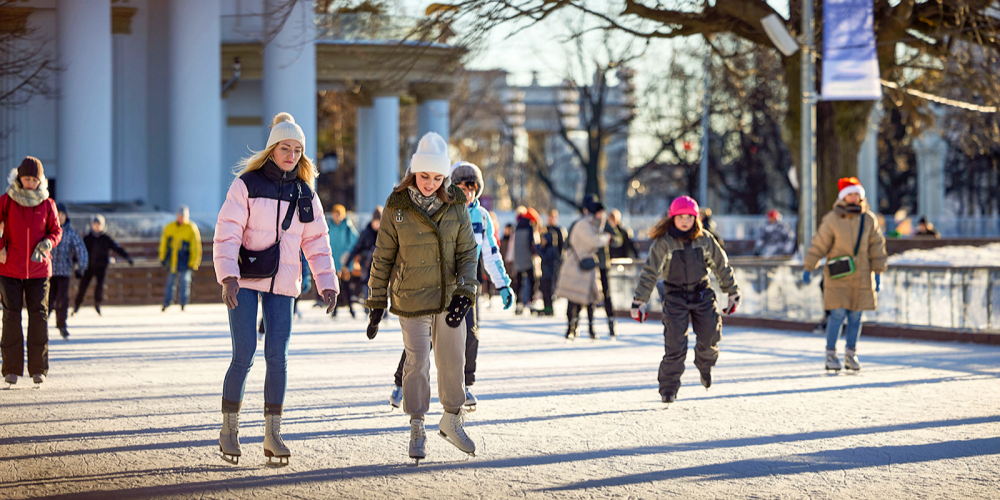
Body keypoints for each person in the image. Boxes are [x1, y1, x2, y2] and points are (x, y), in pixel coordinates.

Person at [213, 112, 340, 466]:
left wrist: (326, 282)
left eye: (298, 149)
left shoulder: (305, 193)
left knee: (278, 357)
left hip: (282, 283)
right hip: (245, 279)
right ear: (272, 150)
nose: (292, 155)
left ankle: (273, 434)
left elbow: (317, 241)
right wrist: (228, 276)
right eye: (286, 148)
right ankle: (229, 430)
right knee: (244, 354)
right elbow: (227, 232)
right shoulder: (247, 184)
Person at [364, 132, 480, 463]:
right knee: (417, 362)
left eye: (437, 177)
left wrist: (465, 292)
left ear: (445, 176)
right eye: (424, 176)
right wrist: (375, 304)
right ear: (414, 172)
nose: (430, 183)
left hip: (448, 298)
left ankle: (452, 418)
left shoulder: (456, 202)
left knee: (453, 360)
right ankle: (417, 424)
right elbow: (383, 257)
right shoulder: (396, 204)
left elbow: (467, 252)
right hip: (411, 297)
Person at [387, 161, 515, 412]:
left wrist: (503, 285)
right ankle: (401, 384)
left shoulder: (482, 217)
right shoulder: (441, 208)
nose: (466, 193)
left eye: (471, 188)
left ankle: (464, 385)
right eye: (461, 187)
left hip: (466, 284)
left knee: (470, 335)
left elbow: (490, 253)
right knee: (423, 338)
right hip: (436, 282)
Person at [630, 196, 739, 404]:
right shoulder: (664, 243)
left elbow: (721, 266)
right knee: (675, 346)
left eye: (689, 217)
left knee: (710, 336)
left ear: (695, 218)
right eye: (680, 217)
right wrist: (639, 300)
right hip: (675, 296)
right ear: (672, 218)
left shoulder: (705, 239)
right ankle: (668, 388)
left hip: (702, 293)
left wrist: (732, 292)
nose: (685, 221)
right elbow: (650, 272)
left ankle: (705, 365)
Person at [802, 177, 887, 372]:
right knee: (837, 314)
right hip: (838, 275)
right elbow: (819, 244)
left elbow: (877, 246)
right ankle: (831, 354)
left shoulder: (868, 219)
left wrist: (878, 271)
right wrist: (809, 266)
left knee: (856, 316)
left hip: (863, 274)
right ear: (843, 196)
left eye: (857, 194)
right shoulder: (832, 219)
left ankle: (851, 354)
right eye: (850, 193)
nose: (854, 197)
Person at [0, 157, 62, 387]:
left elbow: (56, 231)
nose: (29, 184)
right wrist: (0, 247)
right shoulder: (6, 201)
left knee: (39, 318)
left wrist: (48, 242)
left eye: (34, 180)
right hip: (9, 269)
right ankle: (11, 369)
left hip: (39, 270)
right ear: (18, 178)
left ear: (40, 180)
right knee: (10, 316)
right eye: (26, 179)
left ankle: (38, 369)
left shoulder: (47, 204)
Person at [555, 198, 611, 340]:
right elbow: (594, 241)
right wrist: (605, 238)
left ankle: (590, 328)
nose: (603, 216)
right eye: (601, 213)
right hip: (576, 266)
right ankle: (571, 328)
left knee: (590, 298)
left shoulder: (593, 224)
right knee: (574, 298)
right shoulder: (583, 225)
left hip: (588, 266)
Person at [74, 214, 133, 316]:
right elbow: (81, 251)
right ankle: (77, 306)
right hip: (89, 267)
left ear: (102, 226)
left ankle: (97, 304)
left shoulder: (106, 238)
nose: (97, 227)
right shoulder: (88, 238)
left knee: (99, 287)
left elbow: (116, 248)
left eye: (98, 225)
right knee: (83, 287)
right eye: (95, 224)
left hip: (101, 267)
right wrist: (75, 261)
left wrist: (126, 257)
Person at [584, 195, 622, 338]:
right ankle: (590, 327)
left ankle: (611, 325)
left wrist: (609, 238)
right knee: (590, 296)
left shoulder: (605, 224)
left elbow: (618, 239)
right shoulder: (587, 224)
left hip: (602, 264)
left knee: (606, 295)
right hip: (590, 265)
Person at [49, 203, 87, 339]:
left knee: (62, 299)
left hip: (64, 272)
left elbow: (80, 249)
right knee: (47, 300)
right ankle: (40, 325)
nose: (60, 218)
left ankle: (62, 325)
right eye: (57, 215)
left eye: (62, 215)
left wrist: (81, 267)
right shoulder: (47, 231)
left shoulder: (70, 233)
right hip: (48, 272)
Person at [159, 205, 201, 312]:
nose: (181, 218)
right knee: (170, 282)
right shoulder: (169, 227)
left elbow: (195, 247)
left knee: (185, 282)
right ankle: (167, 302)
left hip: (185, 260)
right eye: (179, 216)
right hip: (173, 260)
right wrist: (162, 257)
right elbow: (164, 243)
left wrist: (194, 262)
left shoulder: (191, 228)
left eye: (183, 216)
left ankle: (183, 303)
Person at [345, 206, 381, 313]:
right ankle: (367, 308)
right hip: (367, 264)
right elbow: (357, 248)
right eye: (376, 222)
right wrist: (347, 263)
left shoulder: (386, 233)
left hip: (381, 265)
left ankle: (382, 312)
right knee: (366, 285)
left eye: (379, 222)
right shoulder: (366, 232)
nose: (377, 225)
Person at [326, 204, 358, 317]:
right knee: (336, 287)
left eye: (339, 214)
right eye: (335, 214)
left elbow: (356, 241)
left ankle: (351, 309)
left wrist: (348, 253)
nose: (337, 216)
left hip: (344, 263)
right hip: (333, 261)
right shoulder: (329, 226)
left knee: (346, 286)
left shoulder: (347, 227)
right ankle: (334, 311)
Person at [512, 208, 539, 314]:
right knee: (532, 280)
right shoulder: (530, 227)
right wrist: (536, 252)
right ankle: (530, 300)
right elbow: (530, 242)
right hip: (527, 257)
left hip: (518, 257)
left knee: (519, 281)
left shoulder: (517, 226)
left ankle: (518, 303)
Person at [537, 232, 559, 316]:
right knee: (545, 291)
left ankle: (549, 307)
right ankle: (547, 306)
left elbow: (545, 257)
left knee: (548, 291)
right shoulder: (548, 248)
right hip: (546, 273)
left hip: (549, 274)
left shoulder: (551, 249)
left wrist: (540, 249)